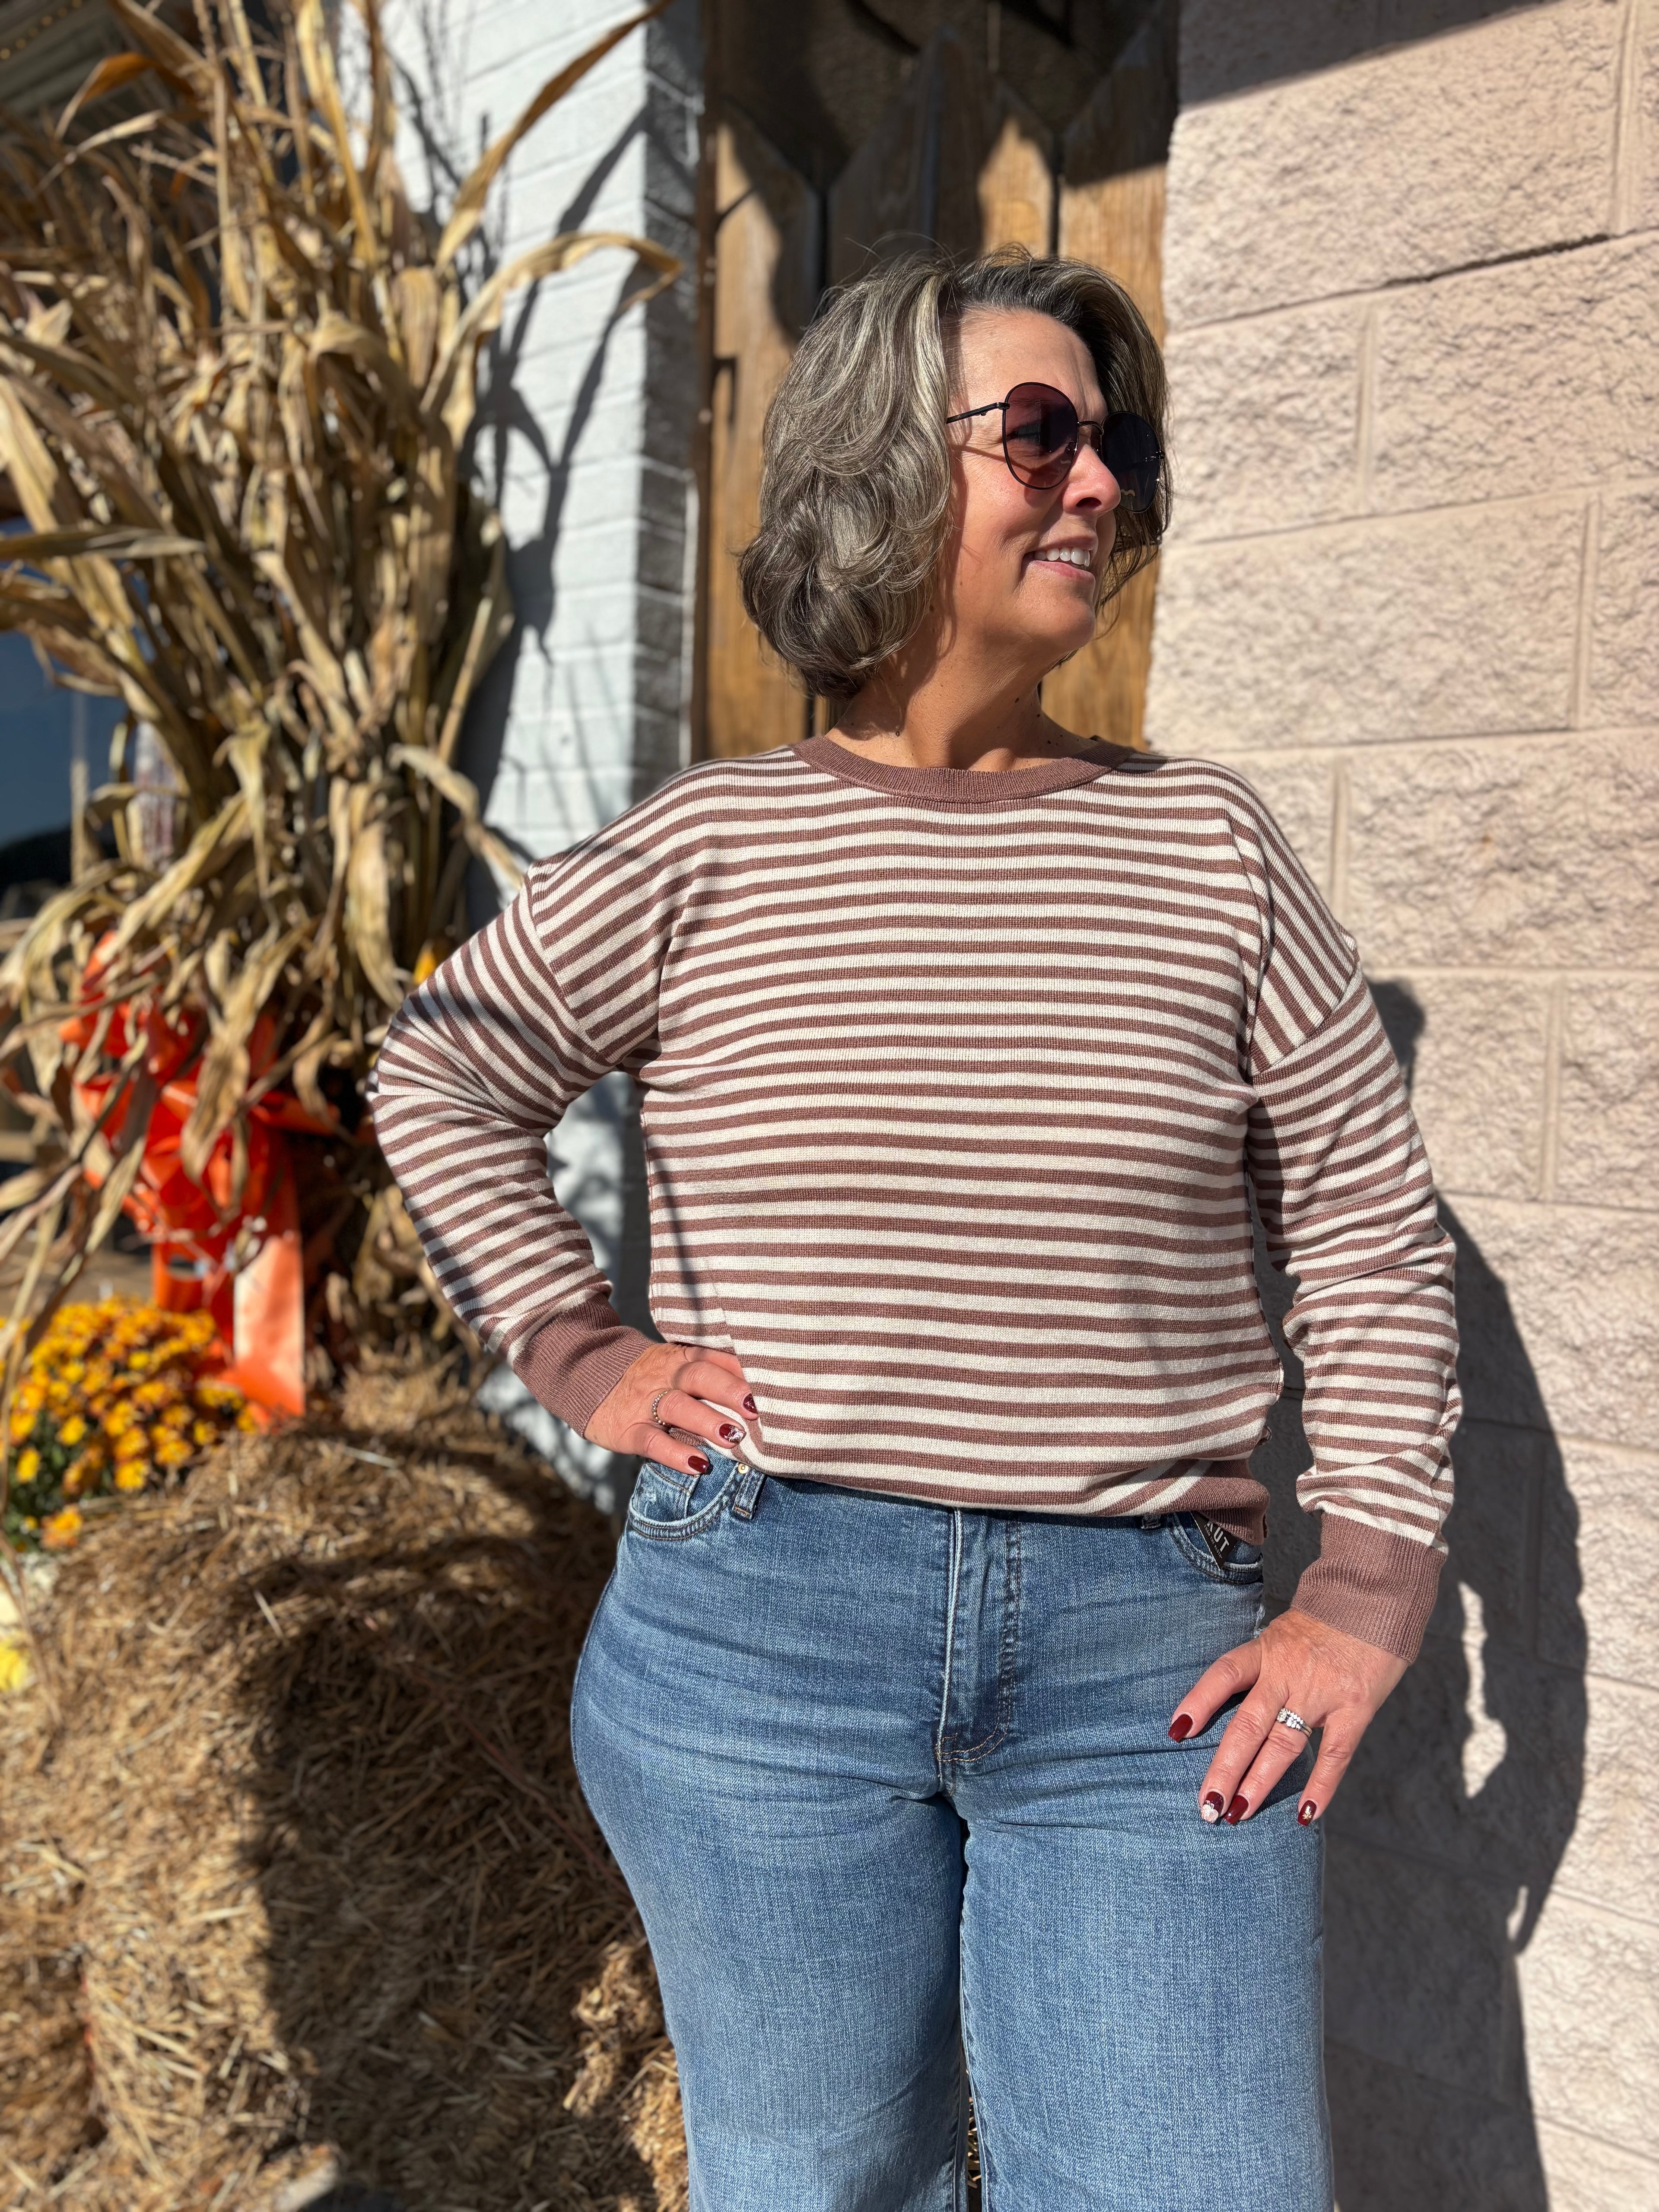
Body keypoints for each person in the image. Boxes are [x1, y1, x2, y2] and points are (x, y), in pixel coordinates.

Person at [373, 247, 1460, 2212]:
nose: (1101, 481)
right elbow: (441, 1067)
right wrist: (581, 1350)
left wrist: (1369, 1589)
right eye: (1038, 434)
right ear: (883, 463)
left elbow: (1373, 1227)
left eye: (1112, 440)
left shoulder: (1207, 848)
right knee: (821, 2185)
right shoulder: (711, 847)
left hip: (1156, 1669)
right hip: (759, 1631)